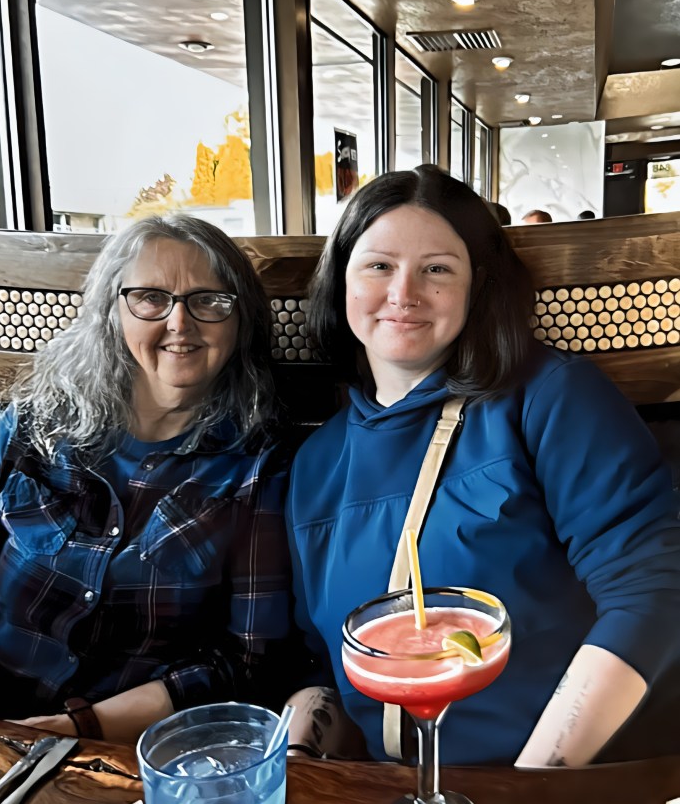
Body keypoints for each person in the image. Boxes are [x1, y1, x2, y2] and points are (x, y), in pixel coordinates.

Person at [286, 165, 680, 766]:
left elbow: (654, 592)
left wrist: (534, 788)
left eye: (437, 269)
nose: (403, 293)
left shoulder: (548, 397)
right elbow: (323, 663)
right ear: (341, 280)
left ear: (479, 287)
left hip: (551, 779)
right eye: (379, 265)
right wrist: (298, 766)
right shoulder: (315, 462)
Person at [0, 215, 292, 743]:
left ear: (240, 321)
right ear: (112, 311)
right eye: (150, 297)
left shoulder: (259, 465)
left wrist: (80, 726)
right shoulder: (35, 423)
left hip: (134, 743)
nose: (179, 322)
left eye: (209, 300)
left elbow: (247, 657)